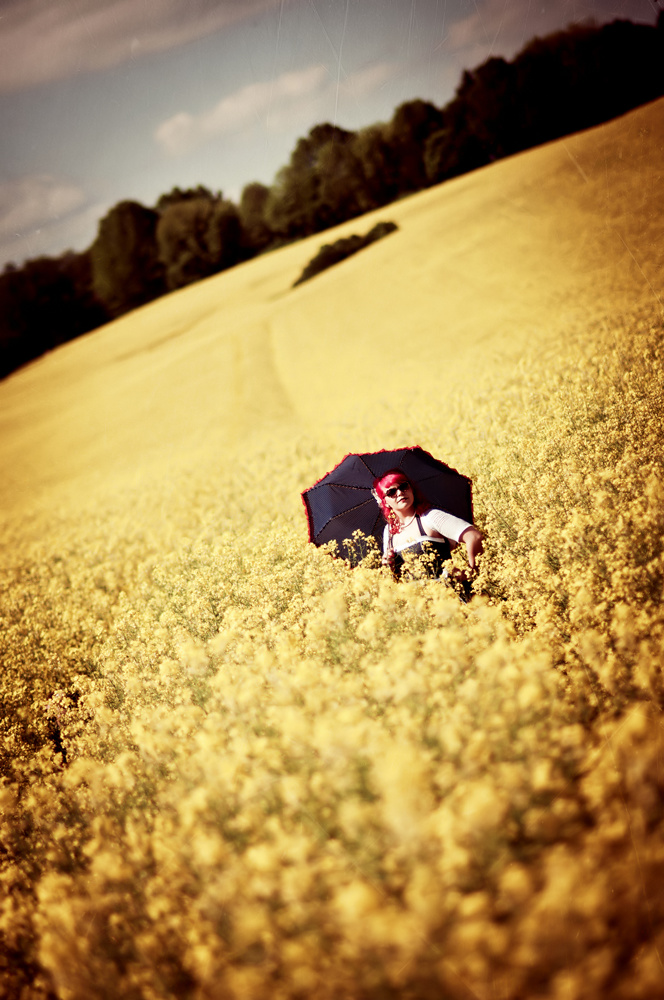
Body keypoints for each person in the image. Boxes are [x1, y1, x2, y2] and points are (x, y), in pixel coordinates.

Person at [372, 470, 483, 583]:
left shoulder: (430, 517)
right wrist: (389, 566)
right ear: (385, 502)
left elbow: (474, 537)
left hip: (449, 596)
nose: (400, 493)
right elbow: (395, 579)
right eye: (391, 492)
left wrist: (471, 572)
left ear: (411, 489)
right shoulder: (388, 532)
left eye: (404, 486)